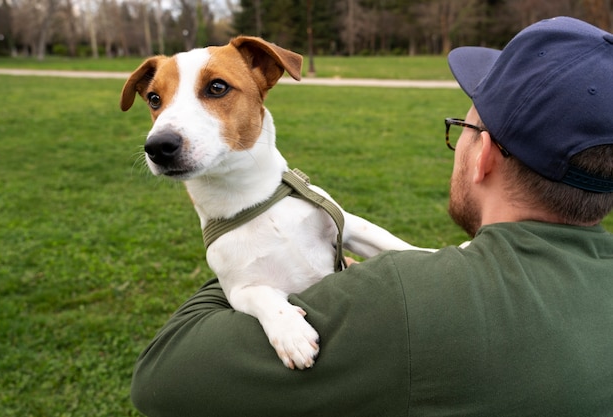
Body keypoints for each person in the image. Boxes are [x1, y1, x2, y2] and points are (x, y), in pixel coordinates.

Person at [130, 16, 613, 417]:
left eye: (462, 126)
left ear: (483, 154)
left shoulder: (401, 298)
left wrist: (243, 237)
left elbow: (159, 383)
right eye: (156, 99)